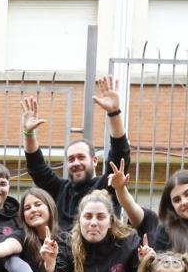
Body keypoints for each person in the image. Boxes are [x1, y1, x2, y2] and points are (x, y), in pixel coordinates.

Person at [21, 75, 131, 229]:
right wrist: (28, 134)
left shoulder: (108, 184)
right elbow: (37, 169)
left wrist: (114, 113)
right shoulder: (60, 190)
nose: (76, 163)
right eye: (71, 159)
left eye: (81, 157)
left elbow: (120, 154)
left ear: (94, 160)